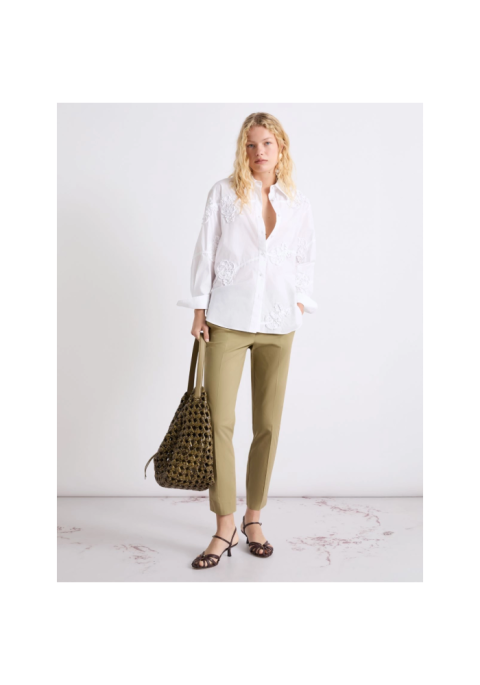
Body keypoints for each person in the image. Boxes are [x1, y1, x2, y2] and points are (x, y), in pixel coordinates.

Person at [177, 112, 318, 569]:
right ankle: (225, 526)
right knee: (219, 423)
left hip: (279, 323)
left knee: (268, 424)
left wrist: (300, 303)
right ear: (243, 149)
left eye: (267, 144)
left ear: (281, 148)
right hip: (228, 319)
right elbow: (206, 249)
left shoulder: (297, 201)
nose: (259, 152)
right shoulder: (224, 193)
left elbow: (305, 256)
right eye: (251, 144)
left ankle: (253, 518)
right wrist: (199, 308)